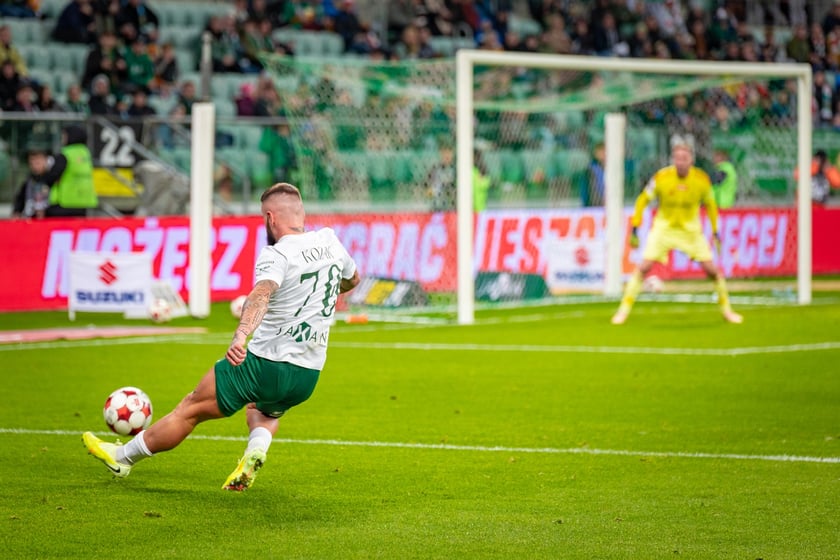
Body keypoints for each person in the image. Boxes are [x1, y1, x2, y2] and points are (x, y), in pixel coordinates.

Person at [83, 183, 361, 491]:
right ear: (301, 213)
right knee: (261, 409)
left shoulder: (276, 253)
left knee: (190, 409)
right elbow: (352, 279)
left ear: (270, 218)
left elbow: (260, 294)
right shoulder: (331, 242)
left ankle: (122, 457)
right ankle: (256, 450)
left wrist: (241, 335)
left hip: (264, 365)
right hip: (307, 376)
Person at [611, 137, 742, 325]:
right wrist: (636, 225)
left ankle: (727, 311)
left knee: (712, 271)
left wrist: (715, 231)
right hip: (664, 229)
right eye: (677, 158)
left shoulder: (701, 180)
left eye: (684, 158)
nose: (680, 162)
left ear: (691, 160)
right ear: (673, 159)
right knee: (644, 267)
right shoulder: (661, 178)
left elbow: (711, 205)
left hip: (691, 231)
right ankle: (623, 311)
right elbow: (642, 200)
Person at [45, 124, 98, 217]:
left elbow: (53, 175)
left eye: (64, 135)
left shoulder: (66, 154)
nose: (62, 138)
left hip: (64, 202)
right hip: (83, 201)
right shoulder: (85, 153)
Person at [11, 143, 61, 219]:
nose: (35, 166)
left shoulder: (52, 179)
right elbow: (20, 199)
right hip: (31, 219)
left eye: (38, 162)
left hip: (49, 219)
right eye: (32, 163)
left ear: (46, 161)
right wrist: (16, 211)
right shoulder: (29, 181)